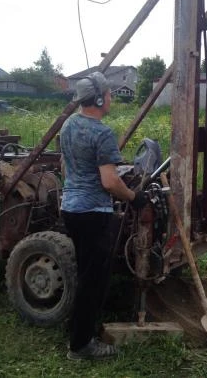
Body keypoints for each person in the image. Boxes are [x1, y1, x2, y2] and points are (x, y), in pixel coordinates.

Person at [60, 71, 149, 361]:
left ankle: (78, 330)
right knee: (93, 280)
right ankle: (81, 346)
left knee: (85, 273)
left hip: (71, 209)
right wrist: (135, 198)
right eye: (109, 94)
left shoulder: (68, 125)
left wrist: (78, 185)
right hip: (93, 214)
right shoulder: (102, 133)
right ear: (99, 99)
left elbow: (65, 167)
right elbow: (110, 182)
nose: (111, 97)